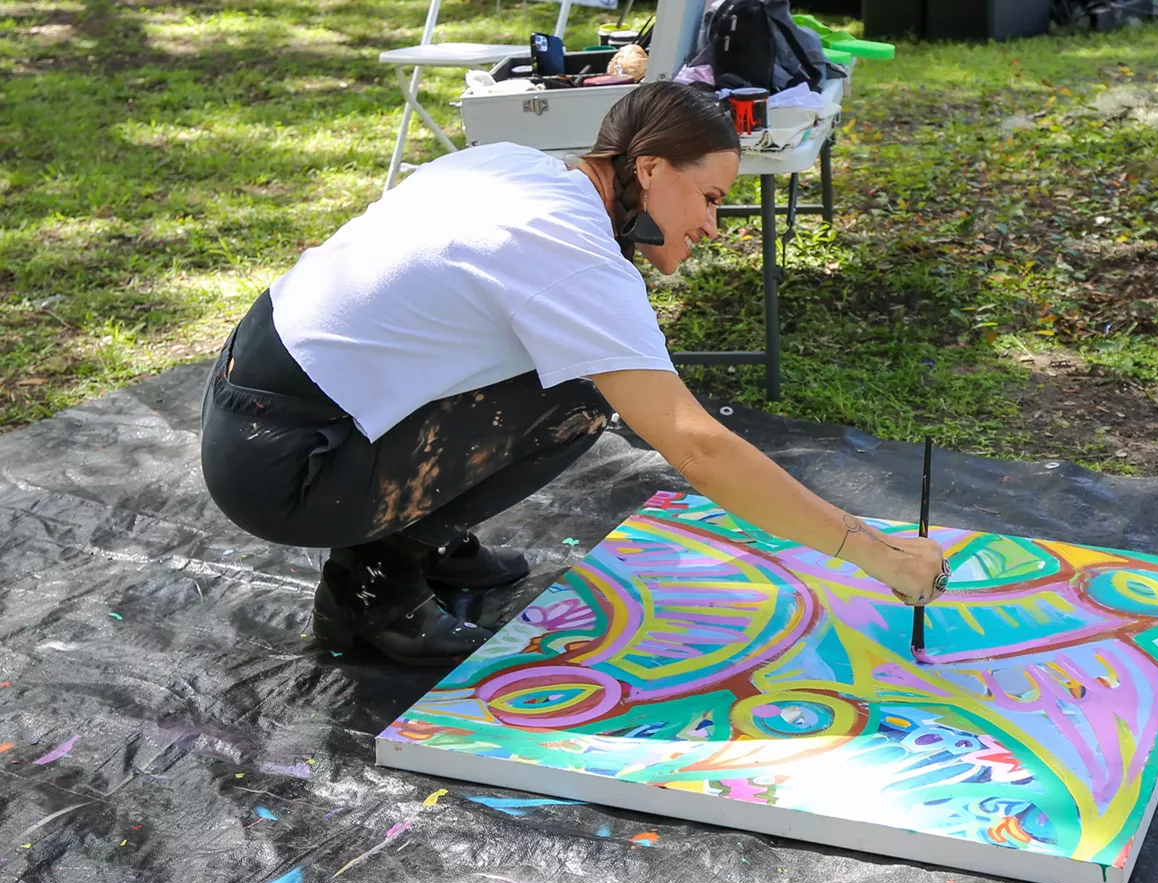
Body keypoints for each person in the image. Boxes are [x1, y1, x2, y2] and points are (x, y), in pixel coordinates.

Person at [200, 82, 948, 667]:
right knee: (584, 396)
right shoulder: (570, 249)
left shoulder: (515, 165)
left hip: (251, 407)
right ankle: (373, 585)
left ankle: (423, 533)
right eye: (710, 198)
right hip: (290, 468)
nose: (712, 225)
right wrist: (874, 553)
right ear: (649, 168)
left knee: (573, 375)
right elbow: (699, 447)